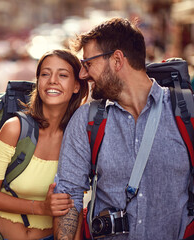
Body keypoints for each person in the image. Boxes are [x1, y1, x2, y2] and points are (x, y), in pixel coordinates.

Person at [53, 17, 193, 239]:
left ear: (117, 60)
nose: (82, 74)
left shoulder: (187, 114)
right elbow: (69, 196)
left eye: (88, 63)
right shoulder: (87, 120)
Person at [0, 49, 89, 239]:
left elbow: (74, 204)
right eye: (45, 74)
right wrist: (41, 208)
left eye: (63, 75)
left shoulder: (80, 138)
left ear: (76, 86)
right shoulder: (15, 129)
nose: (52, 80)